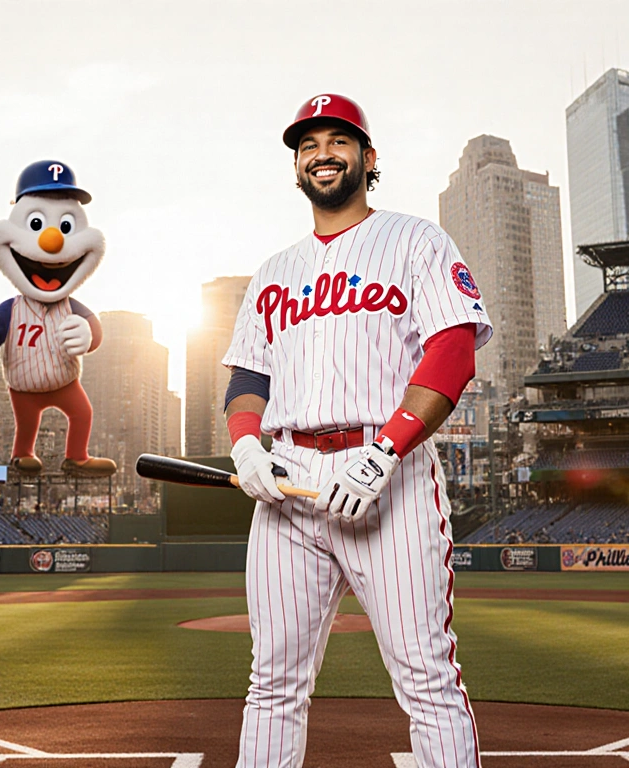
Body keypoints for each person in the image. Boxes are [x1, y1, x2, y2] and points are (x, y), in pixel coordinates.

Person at [222, 93, 491, 768]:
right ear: (296, 167)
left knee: (427, 681)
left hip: (386, 474)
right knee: (272, 685)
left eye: (337, 141)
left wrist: (385, 452)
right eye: (307, 145)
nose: (321, 154)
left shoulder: (415, 239)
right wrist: (247, 446)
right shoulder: (272, 274)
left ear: (368, 159)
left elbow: (453, 349)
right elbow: (247, 381)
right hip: (288, 483)